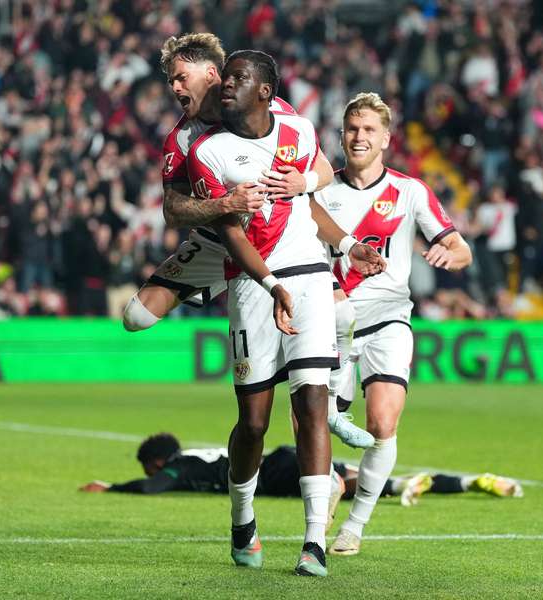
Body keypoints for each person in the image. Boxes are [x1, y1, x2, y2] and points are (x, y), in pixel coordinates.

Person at [185, 51, 384, 577]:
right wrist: (271, 286)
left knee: (312, 402)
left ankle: (314, 541)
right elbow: (230, 233)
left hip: (311, 278)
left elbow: (310, 198)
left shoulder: (299, 130)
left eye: (238, 78)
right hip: (254, 285)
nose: (226, 85)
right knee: (253, 422)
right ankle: (242, 520)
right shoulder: (208, 151)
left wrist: (345, 244)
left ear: (265, 91)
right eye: (225, 77)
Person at [124, 33, 374, 450]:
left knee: (342, 313)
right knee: (136, 317)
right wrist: (225, 204)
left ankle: (332, 409)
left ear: (210, 73)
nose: (174, 88)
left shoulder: (273, 111)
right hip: (216, 241)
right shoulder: (183, 139)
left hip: (279, 239)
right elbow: (173, 209)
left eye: (180, 77)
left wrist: (304, 185)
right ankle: (217, 281)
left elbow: (322, 173)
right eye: (171, 81)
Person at [313, 93, 473, 556]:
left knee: (382, 422)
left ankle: (355, 526)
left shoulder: (410, 191)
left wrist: (450, 253)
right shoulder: (320, 192)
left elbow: (461, 248)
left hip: (388, 319)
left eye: (369, 130)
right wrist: (330, 288)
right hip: (332, 322)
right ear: (341, 135)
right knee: (316, 422)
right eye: (352, 129)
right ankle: (330, 484)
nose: (359, 137)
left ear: (386, 138)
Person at [79, 433, 524, 511]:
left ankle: (394, 486)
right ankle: (468, 481)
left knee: (340, 487)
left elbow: (154, 488)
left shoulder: (181, 466)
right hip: (283, 457)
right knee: (371, 484)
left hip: (272, 472)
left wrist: (114, 487)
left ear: (158, 461)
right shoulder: (194, 456)